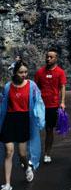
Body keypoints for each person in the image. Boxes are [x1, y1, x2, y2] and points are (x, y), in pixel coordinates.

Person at [1, 60, 45, 188]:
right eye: (21, 72)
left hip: (24, 120)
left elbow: (39, 102)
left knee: (22, 154)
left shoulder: (32, 86)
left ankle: (27, 168)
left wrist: (40, 119)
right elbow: (2, 104)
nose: (24, 74)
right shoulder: (8, 86)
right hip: (9, 120)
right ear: (15, 73)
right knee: (9, 152)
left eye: (26, 72)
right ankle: (8, 184)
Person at [33, 49, 66, 164]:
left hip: (53, 105)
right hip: (40, 106)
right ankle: (33, 154)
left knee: (49, 130)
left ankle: (47, 153)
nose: (48, 59)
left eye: (51, 57)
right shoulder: (39, 72)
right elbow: (34, 88)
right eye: (47, 56)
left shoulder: (60, 72)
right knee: (35, 129)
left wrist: (62, 102)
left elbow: (62, 87)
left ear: (56, 58)